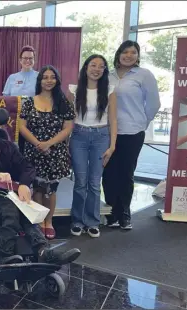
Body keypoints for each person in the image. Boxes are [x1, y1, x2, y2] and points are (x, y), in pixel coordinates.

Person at [0, 108, 81, 264]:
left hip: (10, 194)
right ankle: (6, 254)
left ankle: (43, 251)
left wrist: (24, 184)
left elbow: (27, 167)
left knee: (27, 212)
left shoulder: (6, 146)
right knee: (11, 208)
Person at [104, 40, 161, 230]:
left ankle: (124, 214)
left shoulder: (144, 75)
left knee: (126, 173)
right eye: (125, 52)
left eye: (133, 52)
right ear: (118, 54)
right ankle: (111, 212)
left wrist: (142, 122)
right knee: (109, 172)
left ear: (138, 56)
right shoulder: (108, 75)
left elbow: (153, 104)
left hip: (132, 131)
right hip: (107, 131)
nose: (129, 55)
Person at [19, 65, 75, 240]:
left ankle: (49, 222)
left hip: (55, 152)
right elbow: (21, 126)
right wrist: (38, 144)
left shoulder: (63, 102)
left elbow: (68, 128)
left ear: (57, 80)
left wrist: (49, 143)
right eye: (45, 77)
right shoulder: (29, 101)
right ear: (40, 80)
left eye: (52, 77)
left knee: (51, 190)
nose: (49, 80)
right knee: (36, 188)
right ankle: (38, 222)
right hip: (34, 151)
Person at [67, 55, 117, 238]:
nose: (97, 69)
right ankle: (77, 221)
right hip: (79, 136)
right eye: (93, 65)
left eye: (101, 66)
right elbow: (68, 120)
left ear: (104, 71)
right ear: (86, 67)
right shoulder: (74, 90)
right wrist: (65, 145)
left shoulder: (110, 91)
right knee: (80, 182)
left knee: (95, 183)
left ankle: (93, 221)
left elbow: (113, 119)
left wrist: (112, 145)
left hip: (101, 136)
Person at [3, 45, 39, 154]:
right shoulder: (12, 78)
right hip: (14, 119)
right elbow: (5, 99)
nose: (28, 61)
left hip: (34, 119)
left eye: (30, 58)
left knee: (32, 149)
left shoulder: (39, 77)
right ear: (20, 60)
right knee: (16, 149)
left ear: (34, 60)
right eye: (25, 58)